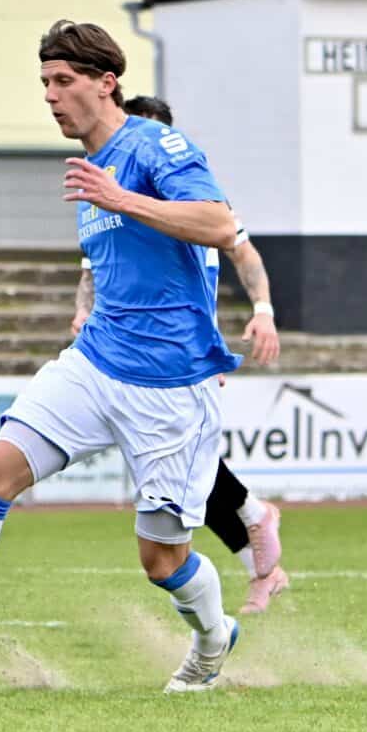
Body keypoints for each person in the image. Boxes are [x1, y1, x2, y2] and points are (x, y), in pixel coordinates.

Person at [0, 20, 245, 696]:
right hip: (94, 365)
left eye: (64, 81)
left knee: (162, 559)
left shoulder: (153, 145)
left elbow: (221, 224)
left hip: (171, 388)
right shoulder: (87, 166)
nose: (51, 96)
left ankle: (211, 639)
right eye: (44, 84)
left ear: (105, 83)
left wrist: (119, 196)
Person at [69, 94, 288, 613]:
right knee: (178, 470)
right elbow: (90, 268)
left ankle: (254, 522)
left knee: (178, 467)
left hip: (182, 349)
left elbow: (243, 250)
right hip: (132, 348)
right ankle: (258, 550)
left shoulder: (193, 200)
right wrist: (82, 312)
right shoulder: (112, 198)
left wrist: (263, 309)